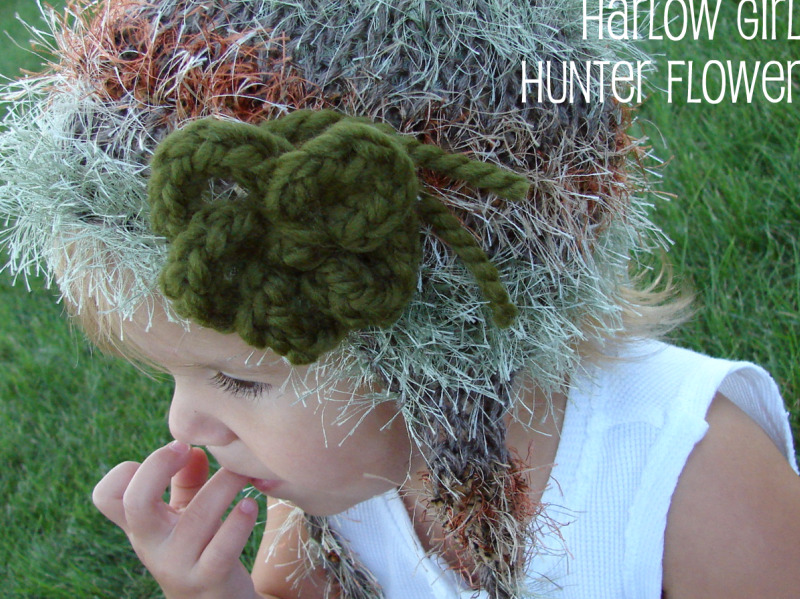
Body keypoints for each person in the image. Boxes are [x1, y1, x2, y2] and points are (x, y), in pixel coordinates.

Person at [0, 1, 798, 598]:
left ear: (445, 343)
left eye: (240, 378)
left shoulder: (690, 486)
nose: (184, 425)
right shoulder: (339, 483)